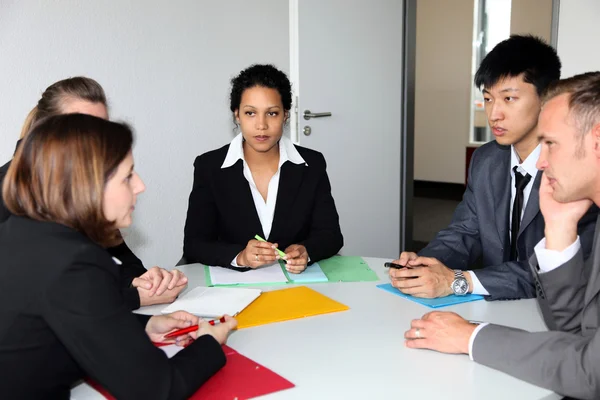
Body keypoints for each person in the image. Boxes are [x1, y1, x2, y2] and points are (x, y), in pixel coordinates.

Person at [0, 114, 238, 399]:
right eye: (127, 176)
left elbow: (62, 320)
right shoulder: (74, 262)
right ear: (87, 185)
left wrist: (145, 324)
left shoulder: (22, 232)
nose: (140, 186)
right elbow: (158, 390)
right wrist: (209, 343)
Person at [404, 72, 600, 400]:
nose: (541, 161)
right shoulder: (490, 160)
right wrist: (560, 229)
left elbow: (591, 371)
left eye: (550, 143)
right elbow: (575, 332)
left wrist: (470, 337)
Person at [389, 35, 597, 300]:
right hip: (493, 303)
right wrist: (425, 264)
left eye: (509, 99)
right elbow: (465, 231)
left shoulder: (577, 169)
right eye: (488, 99)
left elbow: (558, 271)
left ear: (546, 99)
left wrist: (457, 281)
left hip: (558, 311)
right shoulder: (486, 159)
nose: (494, 113)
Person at [0, 77, 187, 309]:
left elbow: (123, 262)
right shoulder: (7, 190)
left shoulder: (93, 186)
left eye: (103, 130)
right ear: (46, 131)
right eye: (85, 130)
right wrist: (133, 298)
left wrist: (144, 282)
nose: (99, 142)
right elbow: (39, 297)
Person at [183, 64, 343, 272]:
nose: (261, 125)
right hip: (234, 289)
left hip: (297, 289)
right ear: (236, 115)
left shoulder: (311, 164)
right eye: (250, 113)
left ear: (285, 115)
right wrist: (240, 256)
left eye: (272, 113)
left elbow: (331, 235)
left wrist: (307, 250)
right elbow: (195, 244)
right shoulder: (210, 167)